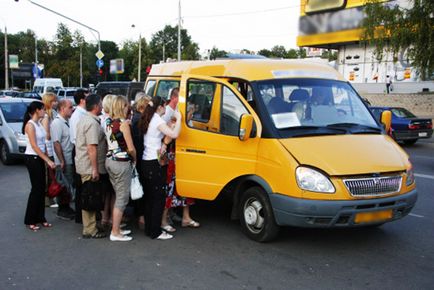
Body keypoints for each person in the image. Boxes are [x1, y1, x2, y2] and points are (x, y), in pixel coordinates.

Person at [140, 96, 181, 240]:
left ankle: (150, 229)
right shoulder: (157, 120)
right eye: (164, 106)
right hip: (154, 163)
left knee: (150, 198)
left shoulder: (150, 118)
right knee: (158, 199)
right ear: (160, 107)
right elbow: (174, 134)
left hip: (146, 161)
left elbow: (164, 133)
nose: (166, 109)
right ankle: (155, 231)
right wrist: (180, 118)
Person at [160, 88, 200, 232]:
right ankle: (163, 219)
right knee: (169, 188)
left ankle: (185, 217)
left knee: (184, 187)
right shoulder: (169, 116)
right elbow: (167, 137)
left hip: (182, 156)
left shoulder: (181, 116)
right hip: (171, 156)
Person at [74, 94, 107, 239]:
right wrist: (95, 169)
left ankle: (92, 225)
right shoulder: (92, 123)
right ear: (95, 106)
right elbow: (92, 148)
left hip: (85, 164)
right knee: (90, 196)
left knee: (91, 195)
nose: (102, 106)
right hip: (88, 166)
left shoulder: (85, 119)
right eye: (100, 104)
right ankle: (90, 229)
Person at [105, 95, 136, 242]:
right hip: (122, 162)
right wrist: (134, 159)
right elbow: (131, 148)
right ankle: (115, 231)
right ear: (121, 107)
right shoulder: (124, 125)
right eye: (125, 106)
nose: (127, 108)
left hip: (110, 160)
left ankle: (116, 227)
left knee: (118, 194)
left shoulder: (108, 122)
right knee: (122, 198)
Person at [22, 101, 56, 231]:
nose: (44, 112)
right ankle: (30, 219)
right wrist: (47, 160)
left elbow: (43, 142)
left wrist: (48, 156)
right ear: (36, 110)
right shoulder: (30, 125)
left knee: (42, 189)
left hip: (40, 158)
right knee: (36, 189)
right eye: (42, 109)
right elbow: (34, 146)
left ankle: (41, 217)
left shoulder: (39, 124)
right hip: (32, 158)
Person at [51, 99, 76, 220]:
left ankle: (66, 206)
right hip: (63, 159)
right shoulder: (57, 123)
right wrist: (61, 160)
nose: (72, 109)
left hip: (69, 157)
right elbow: (56, 143)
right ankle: (62, 208)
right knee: (63, 185)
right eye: (70, 107)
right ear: (62, 108)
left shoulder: (67, 121)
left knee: (69, 183)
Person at [70, 88, 90, 223]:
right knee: (82, 186)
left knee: (82, 186)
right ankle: (81, 216)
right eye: (87, 97)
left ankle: (81, 215)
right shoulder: (79, 116)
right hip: (80, 150)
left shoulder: (81, 114)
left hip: (80, 149)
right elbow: (80, 138)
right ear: (82, 100)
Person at [132, 93, 151, 229]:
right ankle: (142, 217)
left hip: (138, 157)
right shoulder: (139, 120)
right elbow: (140, 142)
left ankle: (141, 216)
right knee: (141, 187)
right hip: (140, 158)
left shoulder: (137, 118)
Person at [41, 92, 58, 207]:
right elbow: (47, 135)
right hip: (48, 148)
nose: (56, 103)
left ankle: (50, 197)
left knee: (51, 174)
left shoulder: (51, 114)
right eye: (54, 101)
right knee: (49, 174)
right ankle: (48, 199)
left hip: (50, 148)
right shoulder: (46, 116)